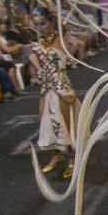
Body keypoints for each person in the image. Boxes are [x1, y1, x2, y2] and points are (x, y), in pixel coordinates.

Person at [29, 13, 78, 179]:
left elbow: (62, 27)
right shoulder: (39, 43)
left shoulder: (60, 39)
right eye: (37, 24)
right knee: (48, 122)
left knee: (65, 122)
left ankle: (73, 157)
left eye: (43, 23)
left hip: (61, 88)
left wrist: (50, 3)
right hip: (46, 88)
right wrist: (36, 74)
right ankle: (57, 154)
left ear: (50, 23)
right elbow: (33, 62)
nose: (40, 27)